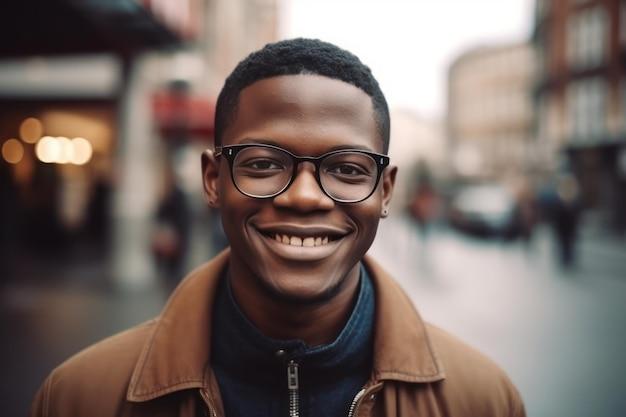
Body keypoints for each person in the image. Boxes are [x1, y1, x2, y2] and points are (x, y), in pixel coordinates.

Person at [30, 38, 525, 417]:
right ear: (213, 180)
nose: (304, 196)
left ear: (386, 191)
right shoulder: (80, 396)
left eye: (348, 169)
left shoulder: (481, 398)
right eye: (264, 164)